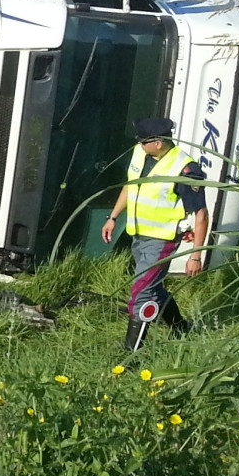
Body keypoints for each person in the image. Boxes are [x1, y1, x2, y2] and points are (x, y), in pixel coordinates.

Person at [101, 117, 209, 351]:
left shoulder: (186, 169)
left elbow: (201, 214)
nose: (139, 145)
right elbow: (131, 185)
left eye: (143, 141)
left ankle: (130, 355)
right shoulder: (140, 154)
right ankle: (181, 328)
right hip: (139, 235)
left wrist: (195, 256)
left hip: (162, 241)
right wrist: (113, 217)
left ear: (158, 143)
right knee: (153, 289)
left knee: (141, 293)